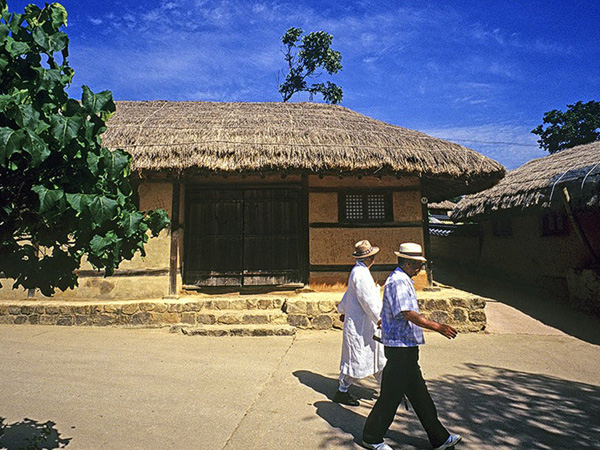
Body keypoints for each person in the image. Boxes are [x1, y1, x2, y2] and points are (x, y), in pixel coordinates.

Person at [362, 243, 462, 450]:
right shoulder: (398, 281)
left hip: (406, 346)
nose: (419, 269)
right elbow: (407, 312)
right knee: (390, 396)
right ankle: (372, 437)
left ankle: (440, 438)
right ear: (407, 263)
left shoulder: (402, 279)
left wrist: (386, 320)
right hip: (400, 348)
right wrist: (437, 327)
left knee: (419, 395)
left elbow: (395, 311)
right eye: (417, 265)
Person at [333, 240, 387, 407]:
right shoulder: (361, 274)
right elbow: (368, 300)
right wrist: (380, 319)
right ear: (370, 258)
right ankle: (342, 391)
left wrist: (343, 310)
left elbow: (350, 295)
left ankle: (388, 391)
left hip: (364, 323)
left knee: (379, 358)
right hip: (361, 325)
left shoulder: (358, 271)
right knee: (357, 359)